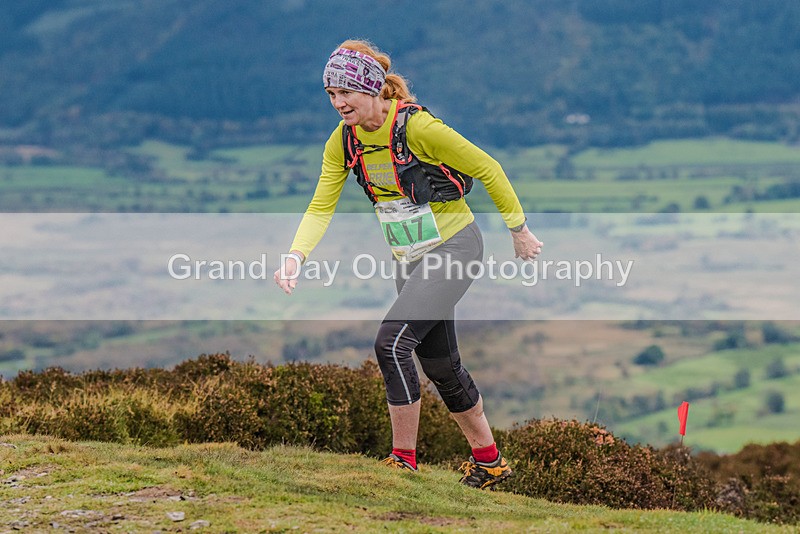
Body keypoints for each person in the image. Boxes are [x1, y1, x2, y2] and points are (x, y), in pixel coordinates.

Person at [274, 39, 543, 490]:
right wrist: (295, 255)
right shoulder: (343, 143)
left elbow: (489, 168)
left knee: (391, 342)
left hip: (455, 247)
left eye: (346, 93)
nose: (338, 104)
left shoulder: (418, 129)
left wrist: (519, 230)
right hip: (409, 258)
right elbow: (321, 205)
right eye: (331, 95)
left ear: (372, 89)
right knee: (440, 365)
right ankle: (492, 465)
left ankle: (403, 461)